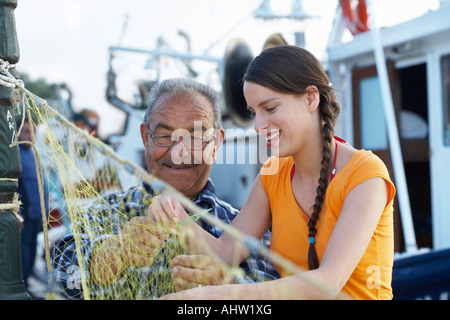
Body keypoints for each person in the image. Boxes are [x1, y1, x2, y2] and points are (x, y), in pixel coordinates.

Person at [156, 45, 396, 300]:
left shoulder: (365, 176)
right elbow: (226, 251)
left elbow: (327, 284)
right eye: (253, 113)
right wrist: (174, 213)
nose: (259, 125)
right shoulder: (273, 174)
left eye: (270, 109)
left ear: (311, 98)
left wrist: (217, 295)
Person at [52, 78, 279, 299]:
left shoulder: (245, 231)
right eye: (164, 136)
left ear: (216, 144)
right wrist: (115, 253)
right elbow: (62, 271)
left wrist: (230, 287)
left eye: (196, 137)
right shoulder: (104, 212)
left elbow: (280, 289)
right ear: (145, 138)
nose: (178, 153)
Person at [17, 117, 49, 297]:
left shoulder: (34, 154)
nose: (31, 136)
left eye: (33, 133)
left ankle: (28, 282)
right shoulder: (16, 156)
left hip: (38, 214)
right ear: (19, 134)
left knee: (32, 250)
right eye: (27, 132)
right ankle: (23, 286)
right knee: (24, 250)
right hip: (25, 216)